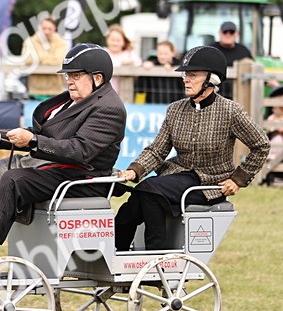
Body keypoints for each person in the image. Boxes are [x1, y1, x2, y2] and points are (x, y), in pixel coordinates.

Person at [0, 44, 128, 253]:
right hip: (55, 166)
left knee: (13, 179)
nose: (69, 81)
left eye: (76, 76)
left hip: (82, 177)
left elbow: (80, 151)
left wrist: (33, 142)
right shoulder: (73, 101)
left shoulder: (109, 108)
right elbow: (44, 135)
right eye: (68, 76)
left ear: (98, 78)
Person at [114, 45, 270, 251]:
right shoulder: (175, 109)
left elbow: (261, 145)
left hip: (210, 184)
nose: (186, 79)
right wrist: (135, 170)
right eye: (185, 75)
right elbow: (157, 150)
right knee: (136, 200)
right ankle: (117, 258)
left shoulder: (230, 111)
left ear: (212, 79)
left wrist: (238, 179)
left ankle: (155, 257)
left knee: (148, 190)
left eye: (193, 75)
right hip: (178, 177)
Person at [21, 15, 69, 98]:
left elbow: (58, 60)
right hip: (35, 91)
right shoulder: (30, 41)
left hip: (56, 91)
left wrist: (39, 58)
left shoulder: (61, 42)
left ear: (55, 29)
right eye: (44, 28)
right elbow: (28, 59)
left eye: (49, 29)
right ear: (39, 29)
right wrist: (50, 57)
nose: (46, 32)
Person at [213, 21, 252, 99]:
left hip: (239, 97)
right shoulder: (210, 50)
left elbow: (253, 68)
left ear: (237, 34)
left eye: (231, 32)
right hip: (215, 95)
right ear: (219, 33)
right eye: (225, 32)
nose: (228, 34)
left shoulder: (243, 51)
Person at [103, 25, 139, 98]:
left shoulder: (129, 54)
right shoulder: (103, 53)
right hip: (104, 94)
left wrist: (130, 63)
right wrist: (120, 63)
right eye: (112, 40)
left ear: (123, 41)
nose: (115, 43)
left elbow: (139, 64)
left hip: (125, 95)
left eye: (118, 40)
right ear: (107, 40)